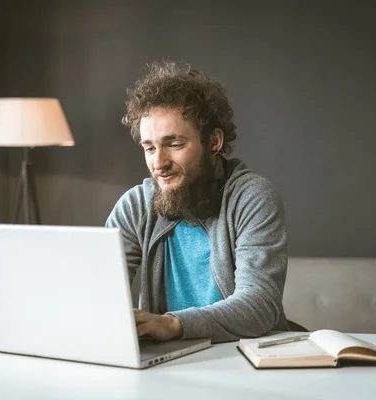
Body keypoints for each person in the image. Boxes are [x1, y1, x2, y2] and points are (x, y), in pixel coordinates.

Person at [105, 60, 289, 343]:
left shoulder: (252, 197)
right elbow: (96, 297)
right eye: (149, 148)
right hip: (167, 367)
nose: (159, 163)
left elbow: (259, 306)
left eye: (174, 144)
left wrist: (172, 324)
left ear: (214, 141)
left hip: (246, 360)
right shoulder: (135, 206)